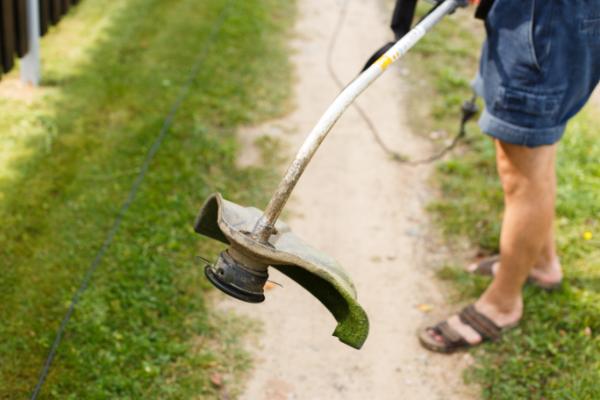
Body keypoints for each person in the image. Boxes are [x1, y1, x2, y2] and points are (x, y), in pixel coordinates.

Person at [419, 0, 600, 352]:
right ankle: (542, 263)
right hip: (542, 14)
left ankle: (502, 304)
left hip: (545, 16)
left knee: (525, 159)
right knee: (530, 147)